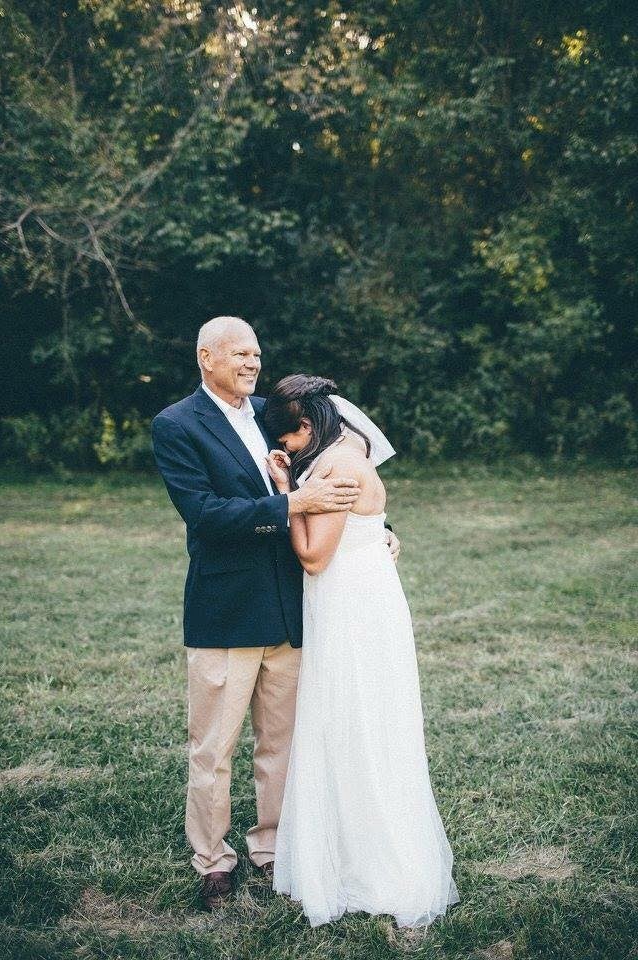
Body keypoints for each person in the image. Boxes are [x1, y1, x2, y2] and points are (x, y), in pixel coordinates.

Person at [151, 316, 400, 910]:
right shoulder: (176, 425)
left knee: (283, 742)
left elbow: (337, 473)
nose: (251, 362)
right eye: (237, 353)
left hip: (293, 610)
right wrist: (291, 502)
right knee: (213, 746)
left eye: (256, 352)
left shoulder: (273, 414)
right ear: (205, 357)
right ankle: (213, 861)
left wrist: (378, 529)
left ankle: (273, 848)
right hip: (226, 610)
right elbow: (206, 514)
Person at [263, 374, 459, 929]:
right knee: (373, 724)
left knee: (352, 724)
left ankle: (366, 864)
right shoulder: (356, 450)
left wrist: (287, 492)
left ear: (306, 426)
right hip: (371, 602)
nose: (288, 452)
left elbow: (313, 557)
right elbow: (368, 529)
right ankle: (364, 847)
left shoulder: (335, 468)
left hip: (348, 609)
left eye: (291, 442)